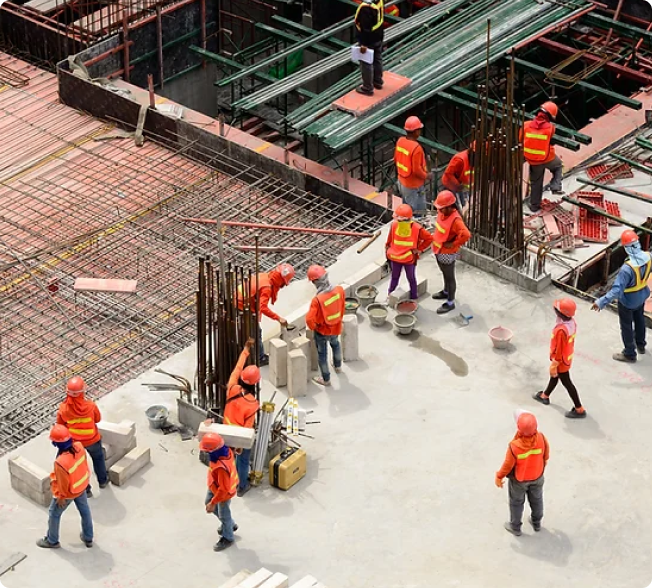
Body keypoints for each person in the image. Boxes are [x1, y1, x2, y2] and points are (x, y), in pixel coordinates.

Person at [591, 229, 651, 362]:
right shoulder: (648, 257)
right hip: (642, 296)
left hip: (628, 301)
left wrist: (601, 302)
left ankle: (630, 353)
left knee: (626, 326)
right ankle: (640, 344)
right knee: (639, 319)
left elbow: (616, 291)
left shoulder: (627, 269)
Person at [37, 424, 94, 549]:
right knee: (85, 511)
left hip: (69, 492)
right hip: (81, 486)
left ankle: (52, 541)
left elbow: (63, 483)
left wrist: (61, 497)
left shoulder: (61, 462)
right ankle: (88, 537)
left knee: (54, 514)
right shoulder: (79, 446)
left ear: (55, 444)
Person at [495, 411, 549, 537]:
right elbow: (546, 456)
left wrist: (499, 476)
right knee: (537, 499)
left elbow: (508, 465)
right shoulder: (541, 438)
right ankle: (536, 522)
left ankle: (515, 527)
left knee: (516, 502)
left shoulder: (514, 446)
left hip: (519, 481)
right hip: (537, 476)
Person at [533, 298, 586, 418]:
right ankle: (545, 396)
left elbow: (559, 349)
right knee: (555, 377)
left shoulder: (561, 330)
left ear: (560, 313)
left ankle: (579, 409)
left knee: (567, 383)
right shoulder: (571, 323)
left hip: (560, 361)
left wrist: (554, 364)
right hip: (566, 358)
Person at [56, 376, 108, 498]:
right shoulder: (91, 405)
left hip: (75, 444)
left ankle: (86, 490)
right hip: (92, 440)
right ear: (82, 392)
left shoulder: (64, 409)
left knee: (79, 466)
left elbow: (60, 426)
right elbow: (98, 419)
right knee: (98, 459)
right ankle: (103, 481)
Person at [223, 338, 260, 496]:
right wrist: (240, 446)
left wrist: (245, 350)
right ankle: (242, 486)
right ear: (255, 383)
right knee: (243, 460)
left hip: (225, 430)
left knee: (228, 457)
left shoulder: (232, 387)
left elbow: (238, 369)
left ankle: (228, 480)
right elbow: (248, 427)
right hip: (239, 436)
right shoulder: (253, 403)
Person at [237, 263, 295, 365]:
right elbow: (262, 307)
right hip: (241, 305)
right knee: (256, 332)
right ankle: (260, 358)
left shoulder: (265, 276)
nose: (282, 287)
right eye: (283, 284)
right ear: (281, 280)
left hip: (240, 300)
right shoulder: (267, 288)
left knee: (249, 330)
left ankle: (249, 351)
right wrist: (278, 318)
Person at [430, 190, 470, 314]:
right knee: (444, 273)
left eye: (442, 208)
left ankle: (450, 302)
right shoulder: (443, 213)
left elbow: (466, 234)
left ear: (449, 207)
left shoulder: (456, 220)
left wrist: (453, 244)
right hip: (438, 249)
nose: (439, 211)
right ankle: (445, 291)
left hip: (447, 253)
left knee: (449, 277)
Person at [306, 264, 346, 387]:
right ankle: (338, 367)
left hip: (322, 331)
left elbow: (309, 319)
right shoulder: (339, 290)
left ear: (315, 282)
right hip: (335, 327)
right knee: (335, 344)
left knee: (322, 354)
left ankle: (326, 379)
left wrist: (315, 327)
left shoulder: (317, 300)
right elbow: (342, 307)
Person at [385, 203, 433, 301]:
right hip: (405, 258)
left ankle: (407, 297)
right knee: (407, 278)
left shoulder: (414, 228)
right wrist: (419, 249)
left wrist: (419, 249)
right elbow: (389, 241)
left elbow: (429, 238)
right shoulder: (411, 227)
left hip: (403, 259)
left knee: (400, 278)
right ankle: (400, 297)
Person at [200, 433, 239, 552]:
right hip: (215, 487)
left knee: (224, 514)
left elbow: (223, 489)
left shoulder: (221, 468)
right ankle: (230, 525)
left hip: (223, 494)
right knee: (208, 502)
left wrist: (213, 503)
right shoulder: (226, 451)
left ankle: (228, 537)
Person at [522, 101, 563, 213]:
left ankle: (534, 206)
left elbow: (520, 138)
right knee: (558, 166)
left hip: (533, 161)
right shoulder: (551, 128)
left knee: (536, 183)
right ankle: (555, 185)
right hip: (547, 158)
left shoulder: (525, 125)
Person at [394, 116, 431, 215]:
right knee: (418, 213)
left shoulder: (400, 141)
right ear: (416, 131)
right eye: (419, 130)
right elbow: (416, 170)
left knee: (406, 209)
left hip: (402, 181)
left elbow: (396, 159)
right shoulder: (416, 148)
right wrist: (427, 176)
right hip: (413, 185)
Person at [354, 0, 385, 96]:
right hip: (378, 36)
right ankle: (377, 81)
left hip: (369, 40)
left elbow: (365, 27)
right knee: (377, 59)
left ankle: (367, 88)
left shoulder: (366, 8)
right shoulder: (378, 2)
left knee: (366, 63)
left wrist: (364, 44)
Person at [441, 142, 475, 213]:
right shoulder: (460, 159)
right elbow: (448, 173)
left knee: (464, 208)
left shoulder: (473, 159)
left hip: (462, 188)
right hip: (451, 186)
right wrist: (457, 185)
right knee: (455, 209)